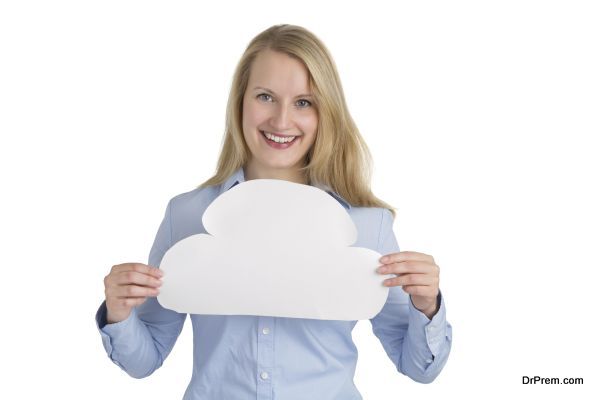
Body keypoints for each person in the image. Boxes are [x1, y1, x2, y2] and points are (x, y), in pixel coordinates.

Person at [96, 24, 452, 399]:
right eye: (265, 96)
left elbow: (417, 367)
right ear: (240, 102)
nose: (282, 121)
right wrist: (119, 312)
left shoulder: (366, 225)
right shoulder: (186, 216)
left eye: (303, 102)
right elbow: (146, 358)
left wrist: (427, 305)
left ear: (324, 113)